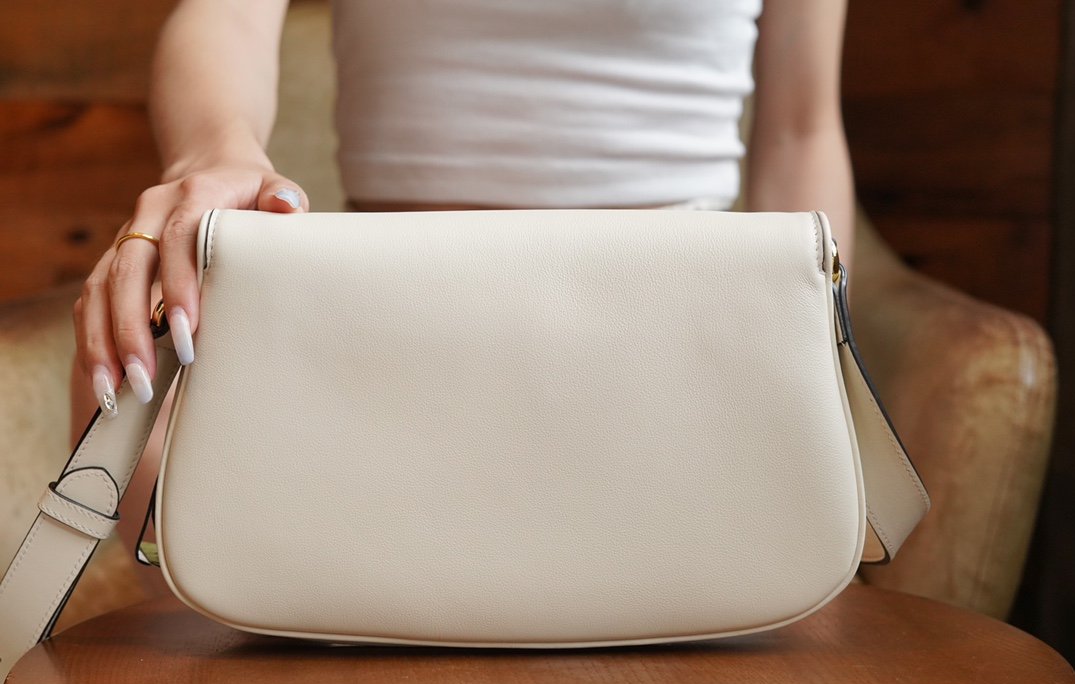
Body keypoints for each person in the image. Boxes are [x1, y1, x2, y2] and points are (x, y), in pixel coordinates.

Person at [71, 0, 854, 575]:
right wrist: (210, 155)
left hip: (677, 371)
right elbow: (230, 15)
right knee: (157, 477)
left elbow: (801, 129)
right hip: (381, 362)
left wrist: (813, 380)